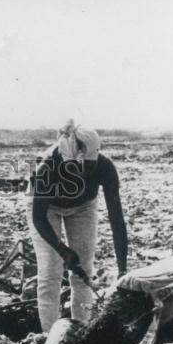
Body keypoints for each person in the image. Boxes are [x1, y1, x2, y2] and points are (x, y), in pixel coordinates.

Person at [28, 121, 128, 333]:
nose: (82, 175)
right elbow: (38, 219)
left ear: (96, 157)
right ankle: (50, 338)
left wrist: (122, 269)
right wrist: (63, 250)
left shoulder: (105, 167)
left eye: (88, 168)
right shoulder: (47, 166)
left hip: (83, 207)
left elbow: (117, 220)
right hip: (47, 211)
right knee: (50, 272)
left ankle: (81, 332)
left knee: (84, 270)